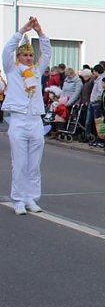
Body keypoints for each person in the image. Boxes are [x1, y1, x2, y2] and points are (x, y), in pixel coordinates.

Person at [3, 17, 52, 215]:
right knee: (20, 163)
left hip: (35, 121)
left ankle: (31, 198)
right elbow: (7, 50)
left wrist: (40, 33)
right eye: (26, 56)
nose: (30, 59)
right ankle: (18, 200)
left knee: (34, 164)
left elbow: (47, 53)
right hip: (19, 120)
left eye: (32, 55)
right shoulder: (12, 70)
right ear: (19, 57)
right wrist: (23, 31)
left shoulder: (37, 72)